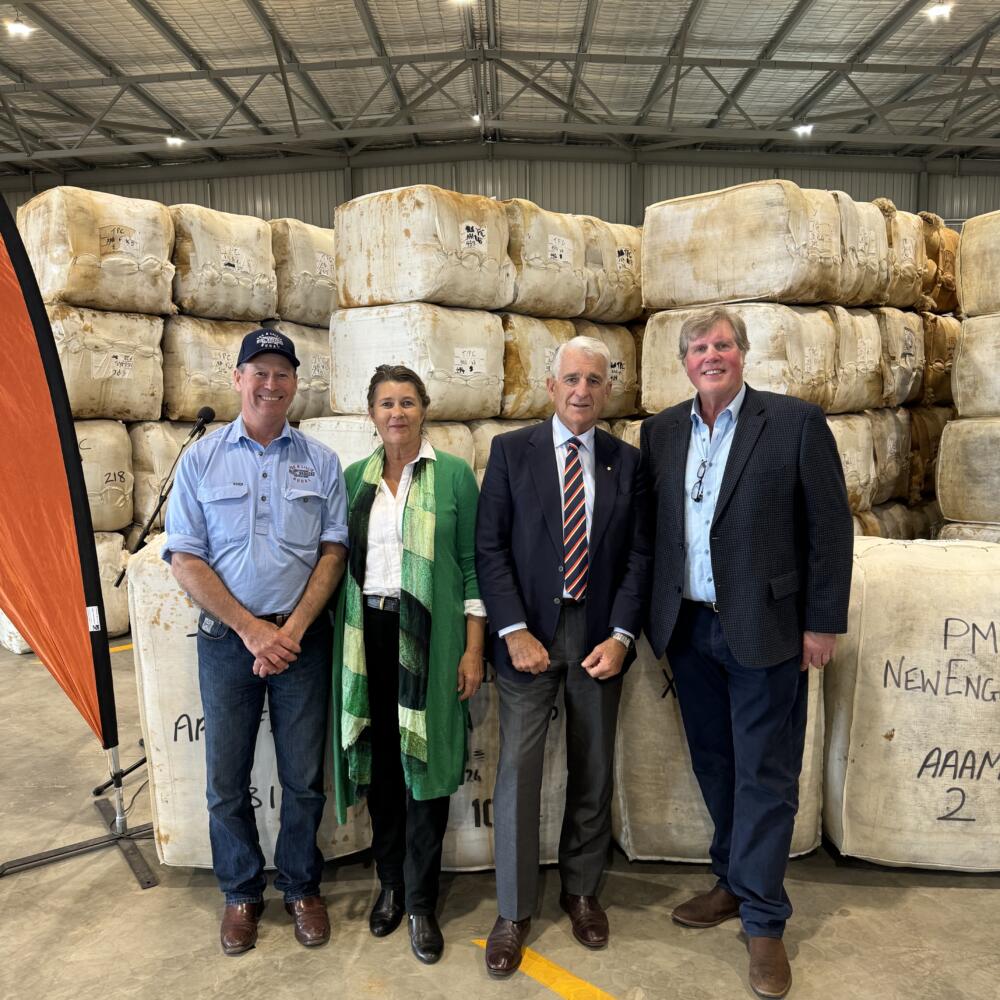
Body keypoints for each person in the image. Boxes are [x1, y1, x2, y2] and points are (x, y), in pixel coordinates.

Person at [640, 308, 853, 999]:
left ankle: (764, 922)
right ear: (684, 362)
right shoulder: (662, 431)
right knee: (714, 763)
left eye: (722, 344)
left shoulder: (793, 422)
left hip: (766, 629)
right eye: (699, 347)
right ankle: (733, 881)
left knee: (765, 771)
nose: (711, 355)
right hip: (690, 629)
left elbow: (830, 528)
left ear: (743, 352)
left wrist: (820, 623)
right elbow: (654, 532)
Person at [164, 328, 348, 956]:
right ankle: (242, 892)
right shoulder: (201, 459)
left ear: (296, 383)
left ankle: (300, 887)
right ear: (238, 378)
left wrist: (289, 631)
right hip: (226, 641)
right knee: (226, 778)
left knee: (303, 777)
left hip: (302, 642)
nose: (271, 384)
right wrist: (251, 629)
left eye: (283, 373)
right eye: (259, 372)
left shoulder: (320, 462)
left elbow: (332, 552)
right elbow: (184, 558)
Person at [475, 336, 650, 977]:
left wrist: (623, 636)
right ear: (550, 387)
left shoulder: (624, 463)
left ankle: (581, 892)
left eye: (595, 381)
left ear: (608, 391)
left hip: (598, 638)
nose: (582, 391)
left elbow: (639, 558)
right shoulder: (510, 452)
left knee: (594, 768)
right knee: (518, 774)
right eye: (571, 379)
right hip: (528, 640)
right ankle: (514, 910)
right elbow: (489, 550)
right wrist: (514, 629)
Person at [330, 365, 486, 965]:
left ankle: (422, 902)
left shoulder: (452, 478)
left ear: (426, 409)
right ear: (371, 413)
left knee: (426, 765)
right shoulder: (354, 481)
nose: (397, 413)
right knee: (387, 774)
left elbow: (472, 567)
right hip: (367, 637)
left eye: (408, 402)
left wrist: (473, 648)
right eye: (386, 403)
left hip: (433, 637)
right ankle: (390, 884)